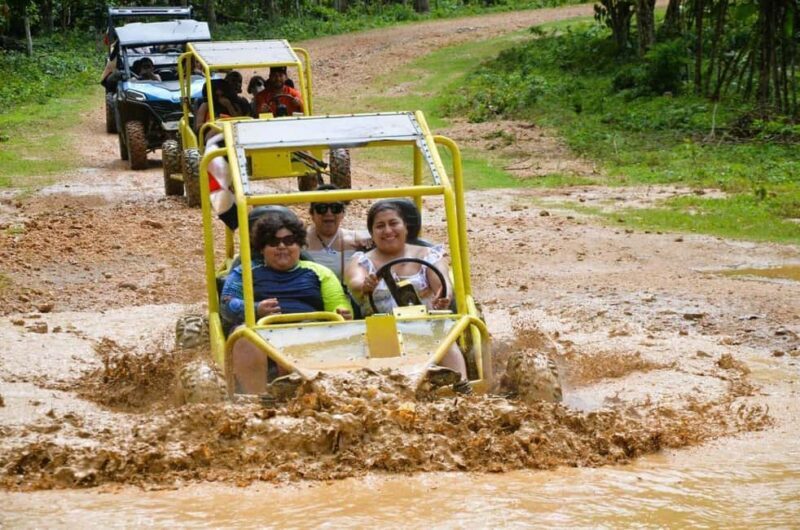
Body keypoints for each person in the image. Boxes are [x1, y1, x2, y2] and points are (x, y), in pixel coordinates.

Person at [222, 210, 353, 393]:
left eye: (289, 241)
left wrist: (342, 312)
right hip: (259, 334)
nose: (282, 246)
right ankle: (255, 400)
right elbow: (227, 304)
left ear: (299, 245)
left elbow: (338, 305)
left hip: (308, 331)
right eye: (274, 242)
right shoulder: (244, 272)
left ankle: (306, 392)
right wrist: (255, 308)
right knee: (244, 336)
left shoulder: (319, 272)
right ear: (261, 248)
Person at [345, 200, 467, 382]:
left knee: (445, 343)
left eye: (393, 223)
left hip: (426, 325)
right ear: (372, 233)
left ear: (406, 228)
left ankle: (463, 388)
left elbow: (442, 282)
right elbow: (355, 282)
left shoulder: (428, 255)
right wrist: (365, 285)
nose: (387, 231)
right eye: (380, 226)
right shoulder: (361, 261)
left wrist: (443, 296)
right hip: (381, 329)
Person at [305, 184, 372, 282]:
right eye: (322, 208)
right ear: (312, 213)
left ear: (343, 213)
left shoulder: (357, 240)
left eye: (335, 208)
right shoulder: (299, 241)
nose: (329, 213)